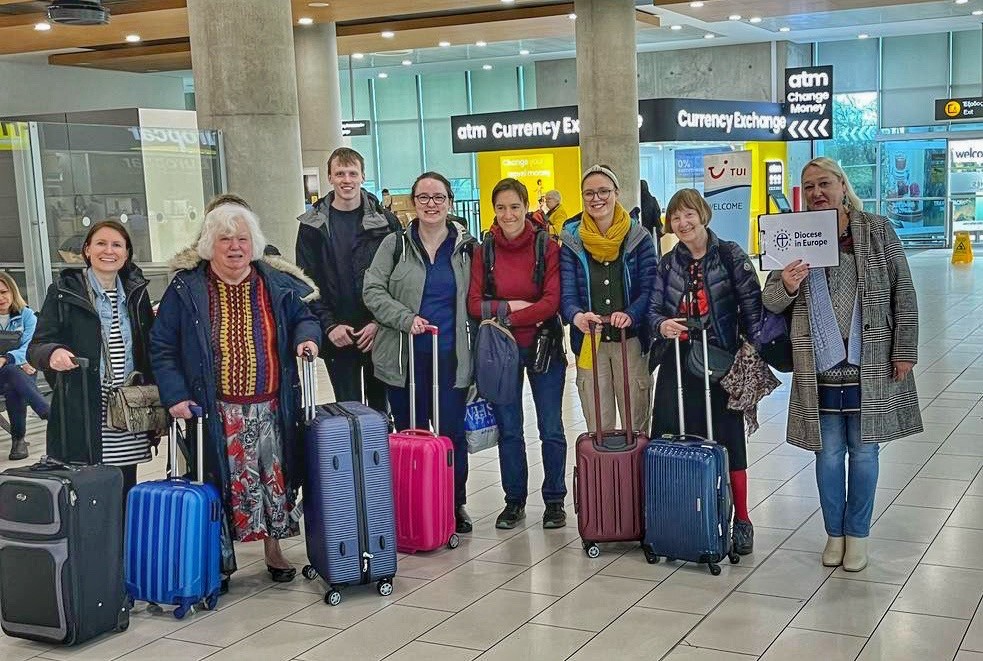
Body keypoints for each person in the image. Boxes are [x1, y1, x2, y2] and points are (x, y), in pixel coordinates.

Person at [762, 157, 922, 572]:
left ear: (841, 185)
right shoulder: (791, 234)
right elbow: (771, 301)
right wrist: (787, 283)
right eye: (809, 185)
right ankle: (834, 534)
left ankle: (859, 535)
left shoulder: (876, 229)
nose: (817, 193)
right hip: (818, 365)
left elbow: (903, 290)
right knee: (828, 455)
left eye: (824, 183)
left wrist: (904, 350)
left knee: (865, 453)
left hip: (869, 362)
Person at [151, 204, 321, 589]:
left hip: (272, 404)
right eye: (225, 239)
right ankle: (220, 560)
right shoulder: (187, 288)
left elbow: (306, 318)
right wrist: (175, 396)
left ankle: (274, 550)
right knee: (221, 482)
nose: (234, 247)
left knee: (274, 481)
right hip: (215, 409)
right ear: (210, 245)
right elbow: (162, 346)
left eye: (242, 239)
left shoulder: (275, 283)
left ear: (254, 244)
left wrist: (307, 339)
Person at [647, 188, 762, 555]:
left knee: (728, 439)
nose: (683, 223)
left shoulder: (730, 255)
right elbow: (652, 311)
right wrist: (662, 325)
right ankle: (676, 515)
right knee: (669, 434)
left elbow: (754, 310)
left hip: (720, 359)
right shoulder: (668, 263)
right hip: (677, 360)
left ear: (703, 215)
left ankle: (741, 519)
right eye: (676, 217)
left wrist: (751, 352)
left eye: (689, 214)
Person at [363, 171, 476, 534]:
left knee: (451, 437)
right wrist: (405, 317)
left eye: (438, 197)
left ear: (449, 204)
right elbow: (373, 290)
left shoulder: (465, 248)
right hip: (404, 359)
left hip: (451, 359)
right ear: (413, 203)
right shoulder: (394, 245)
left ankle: (454, 503)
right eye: (424, 197)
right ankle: (414, 502)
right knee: (411, 435)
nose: (431, 204)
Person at [29, 220, 155, 503]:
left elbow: (150, 347)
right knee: (89, 495)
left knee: (124, 486)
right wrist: (53, 353)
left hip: (127, 408)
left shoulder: (136, 292)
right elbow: (36, 346)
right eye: (100, 243)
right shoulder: (65, 290)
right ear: (87, 250)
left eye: (116, 245)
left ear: (126, 253)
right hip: (84, 410)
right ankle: (95, 548)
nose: (108, 251)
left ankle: (121, 547)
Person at [467, 178, 567, 530]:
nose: (508, 214)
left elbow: (552, 303)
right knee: (510, 429)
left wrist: (507, 313)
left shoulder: (547, 247)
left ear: (526, 207)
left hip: (544, 347)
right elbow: (474, 304)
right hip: (501, 350)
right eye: (501, 207)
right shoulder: (486, 250)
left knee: (551, 427)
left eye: (514, 206)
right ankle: (515, 501)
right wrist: (512, 306)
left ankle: (555, 500)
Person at [296, 147, 398, 412]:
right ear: (329, 177)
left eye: (352, 173)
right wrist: (329, 326)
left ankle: (381, 455)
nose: (346, 180)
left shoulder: (386, 223)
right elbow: (306, 282)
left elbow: (399, 279)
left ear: (363, 176)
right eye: (340, 173)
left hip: (378, 333)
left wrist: (380, 323)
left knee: (381, 413)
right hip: (338, 335)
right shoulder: (312, 226)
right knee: (348, 412)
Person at [560, 164, 657, 435]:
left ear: (617, 193)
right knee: (597, 423)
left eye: (604, 191)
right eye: (589, 193)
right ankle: (602, 476)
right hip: (591, 340)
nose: (596, 198)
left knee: (635, 423)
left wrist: (632, 314)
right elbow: (566, 291)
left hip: (632, 340)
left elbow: (650, 288)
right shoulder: (571, 239)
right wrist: (577, 316)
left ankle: (635, 477)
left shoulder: (639, 237)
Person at [0, 272, 50, 460]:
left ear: (13, 292)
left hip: (17, 372)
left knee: (14, 381)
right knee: (16, 375)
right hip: (13, 373)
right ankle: (45, 412)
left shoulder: (27, 316)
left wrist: (7, 359)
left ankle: (19, 441)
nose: (0, 298)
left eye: (4, 292)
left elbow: (30, 346)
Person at [640, 180, 663, 251]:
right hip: (650, 230)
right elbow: (657, 214)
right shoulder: (652, 200)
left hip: (639, 232)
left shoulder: (637, 200)